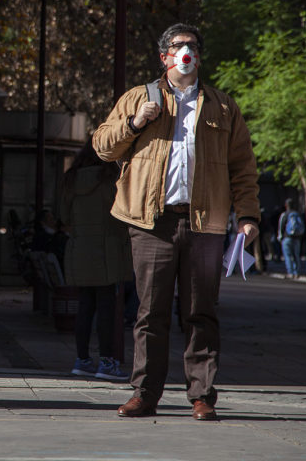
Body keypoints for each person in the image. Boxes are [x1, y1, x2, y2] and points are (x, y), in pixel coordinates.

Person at [93, 23, 260, 421]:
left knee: (201, 311)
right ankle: (144, 393)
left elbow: (243, 167)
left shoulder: (222, 106)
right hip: (152, 223)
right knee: (150, 312)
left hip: (206, 224)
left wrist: (248, 216)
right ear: (164, 57)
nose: (186, 51)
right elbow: (102, 146)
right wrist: (135, 122)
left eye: (192, 46)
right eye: (177, 46)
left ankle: (202, 395)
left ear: (199, 57)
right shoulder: (139, 98)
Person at [59, 139, 133, 382]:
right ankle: (107, 361)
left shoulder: (70, 179)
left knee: (85, 306)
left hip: (80, 247)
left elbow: (62, 215)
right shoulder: (111, 178)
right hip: (107, 248)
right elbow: (122, 213)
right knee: (107, 309)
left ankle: (81, 360)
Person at [277, 198, 303, 279]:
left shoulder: (284, 215)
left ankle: (290, 272)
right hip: (297, 238)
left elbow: (281, 227)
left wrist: (280, 237)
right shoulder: (297, 214)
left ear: (286, 205)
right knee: (296, 255)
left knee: (288, 255)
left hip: (287, 238)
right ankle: (297, 272)